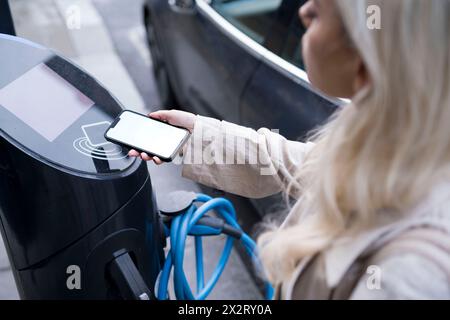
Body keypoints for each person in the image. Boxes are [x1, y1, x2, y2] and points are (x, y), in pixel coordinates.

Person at [130, 0, 450, 299]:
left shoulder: (410, 274)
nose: (304, 11)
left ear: (369, 52)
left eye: (321, 8)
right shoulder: (389, 131)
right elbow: (298, 163)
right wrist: (194, 137)